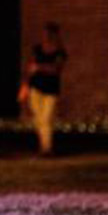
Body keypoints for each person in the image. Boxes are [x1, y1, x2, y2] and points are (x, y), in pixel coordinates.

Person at [20, 22, 68, 156]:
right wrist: (25, 85)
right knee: (38, 119)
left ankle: (47, 148)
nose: (46, 36)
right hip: (35, 88)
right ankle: (43, 145)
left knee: (47, 118)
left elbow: (56, 69)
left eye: (49, 34)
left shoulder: (60, 52)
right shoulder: (37, 49)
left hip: (51, 90)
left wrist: (40, 67)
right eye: (45, 33)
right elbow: (30, 68)